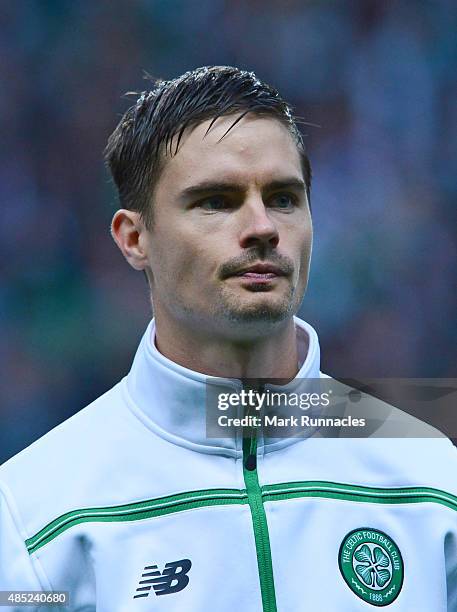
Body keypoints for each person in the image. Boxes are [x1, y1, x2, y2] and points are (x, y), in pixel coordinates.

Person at [0, 65, 456, 611]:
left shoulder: (432, 475)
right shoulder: (33, 514)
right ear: (134, 238)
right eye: (216, 201)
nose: (263, 227)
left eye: (285, 198)